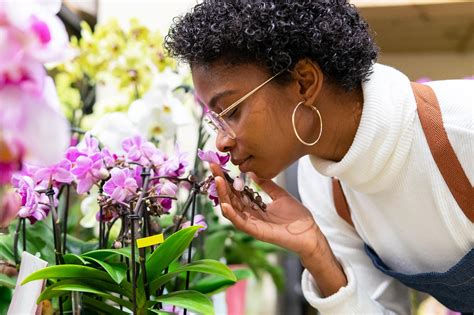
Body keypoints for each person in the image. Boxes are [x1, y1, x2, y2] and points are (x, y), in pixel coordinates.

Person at [165, 1, 474, 314]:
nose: (221, 141)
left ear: (305, 82)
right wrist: (316, 252)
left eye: (231, 111)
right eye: (215, 120)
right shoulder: (322, 183)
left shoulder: (465, 128)